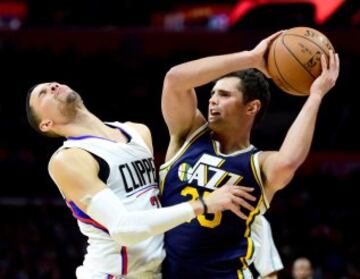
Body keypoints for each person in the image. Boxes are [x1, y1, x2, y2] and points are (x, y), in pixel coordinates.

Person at [25, 82, 257, 279]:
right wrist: (204, 205)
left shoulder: (138, 132)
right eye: (43, 93)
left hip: (155, 270)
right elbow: (123, 228)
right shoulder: (69, 158)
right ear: (46, 125)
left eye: (52, 83)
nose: (52, 86)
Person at [159, 30, 339, 279]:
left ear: (252, 107)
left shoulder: (258, 164)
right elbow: (174, 79)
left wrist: (316, 95)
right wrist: (250, 58)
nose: (212, 101)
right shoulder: (188, 135)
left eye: (224, 95)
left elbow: (288, 161)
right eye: (212, 94)